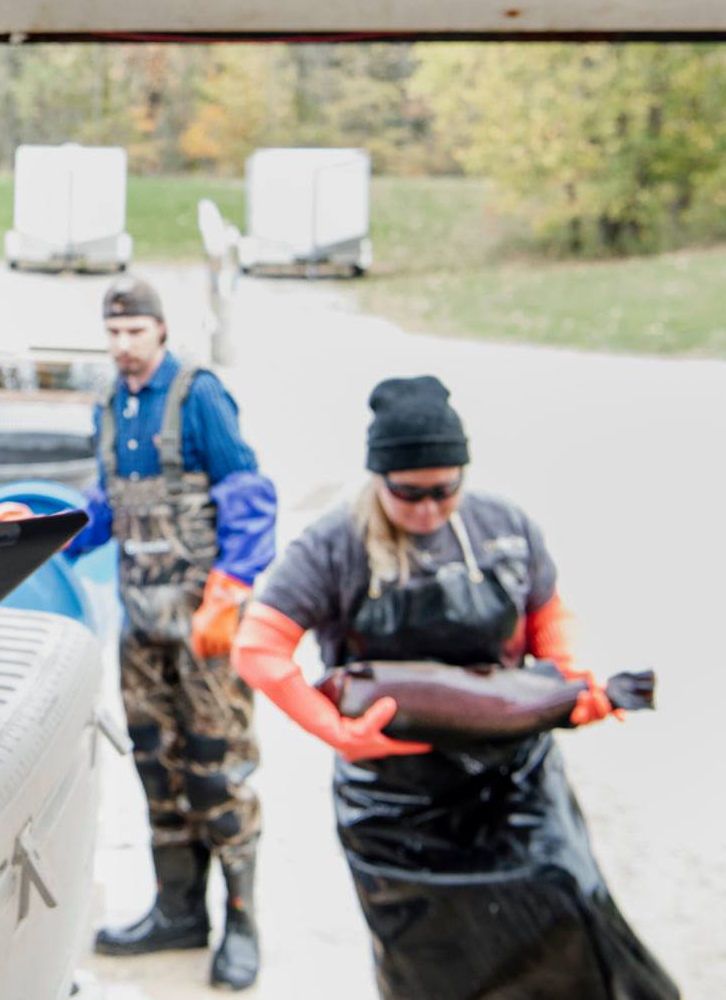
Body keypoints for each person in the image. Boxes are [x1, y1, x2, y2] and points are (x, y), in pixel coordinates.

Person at [232, 376, 678, 1000]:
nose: (427, 510)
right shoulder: (332, 546)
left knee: (570, 914)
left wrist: (567, 673)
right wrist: (335, 730)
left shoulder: (504, 524)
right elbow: (258, 648)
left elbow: (547, 613)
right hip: (396, 805)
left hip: (512, 783)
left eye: (445, 491)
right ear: (378, 479)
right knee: (430, 966)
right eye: (408, 494)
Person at [74, 277, 278, 991]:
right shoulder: (107, 404)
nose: (123, 344)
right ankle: (178, 911)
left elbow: (248, 496)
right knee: (156, 766)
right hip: (140, 626)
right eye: (114, 331)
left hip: (206, 623)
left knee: (216, 764)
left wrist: (230, 591)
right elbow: (107, 508)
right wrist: (47, 533)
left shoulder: (198, 396)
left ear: (161, 330)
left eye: (136, 330)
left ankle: (243, 924)